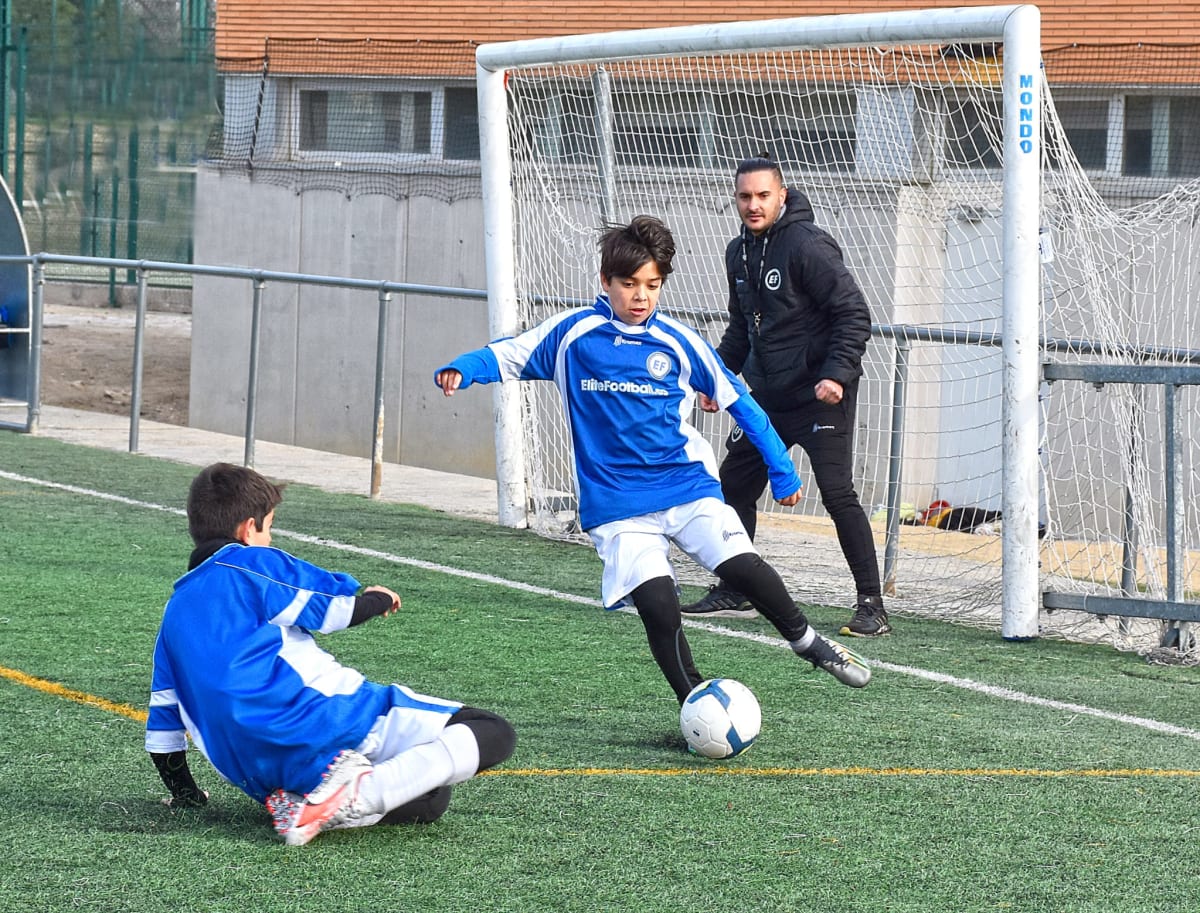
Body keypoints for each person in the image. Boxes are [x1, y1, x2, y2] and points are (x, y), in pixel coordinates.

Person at [434, 215, 869, 714]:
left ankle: (809, 642)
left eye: (653, 285)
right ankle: (699, 705)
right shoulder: (573, 334)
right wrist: (464, 369)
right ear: (606, 281)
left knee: (745, 569)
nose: (641, 296)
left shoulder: (681, 342)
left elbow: (740, 403)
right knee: (659, 606)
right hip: (619, 506)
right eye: (630, 284)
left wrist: (781, 468)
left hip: (686, 487)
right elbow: (507, 356)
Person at [144, 462, 516, 846]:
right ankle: (351, 796)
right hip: (319, 722)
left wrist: (186, 794)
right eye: (269, 527)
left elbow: (163, 732)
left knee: (432, 798)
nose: (270, 539)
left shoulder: (173, 614)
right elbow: (334, 608)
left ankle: (304, 802)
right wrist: (376, 599)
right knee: (492, 732)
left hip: (257, 772)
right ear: (248, 528)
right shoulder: (250, 562)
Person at [681, 156, 890, 638]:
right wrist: (712, 378)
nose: (753, 205)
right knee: (733, 484)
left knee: (838, 494)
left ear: (781, 195)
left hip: (821, 396)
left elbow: (854, 313)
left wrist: (836, 375)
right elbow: (741, 330)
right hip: (767, 397)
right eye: (744, 197)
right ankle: (735, 590)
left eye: (762, 196)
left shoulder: (807, 244)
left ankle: (872, 605)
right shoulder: (738, 252)